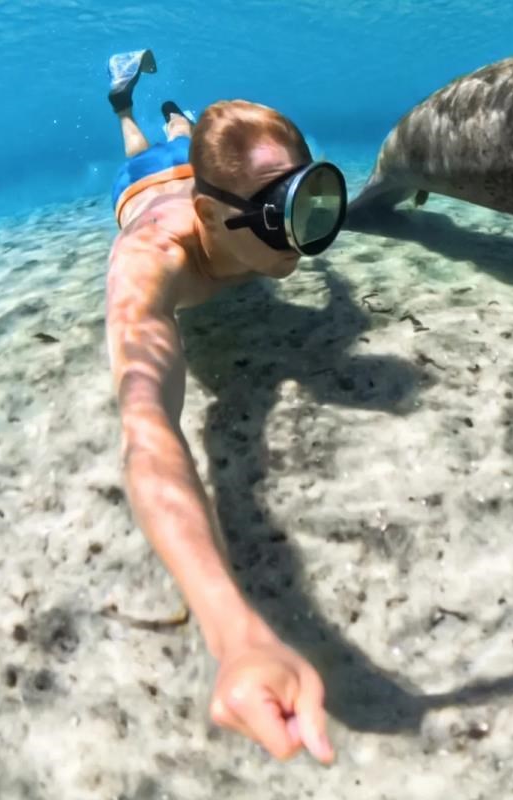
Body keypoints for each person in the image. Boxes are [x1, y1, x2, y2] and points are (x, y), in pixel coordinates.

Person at [102, 49, 348, 764]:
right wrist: (235, 633)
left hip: (204, 180)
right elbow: (147, 425)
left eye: (309, 204)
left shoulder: (242, 208)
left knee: (185, 137)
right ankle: (124, 107)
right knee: (141, 151)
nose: (300, 243)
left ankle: (175, 116)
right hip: (145, 191)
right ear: (210, 217)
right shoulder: (151, 266)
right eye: (279, 220)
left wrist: (334, 289)